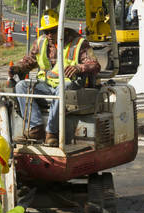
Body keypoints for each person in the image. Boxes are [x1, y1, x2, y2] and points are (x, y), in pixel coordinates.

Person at [9, 10, 101, 146]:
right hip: (46, 85)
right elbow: (30, 60)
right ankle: (35, 128)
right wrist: (17, 68)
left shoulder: (78, 43)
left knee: (62, 89)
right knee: (21, 86)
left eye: (53, 30)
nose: (49, 35)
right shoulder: (41, 43)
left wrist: (78, 68)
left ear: (61, 27)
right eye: (46, 32)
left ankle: (51, 133)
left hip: (70, 86)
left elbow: (95, 65)